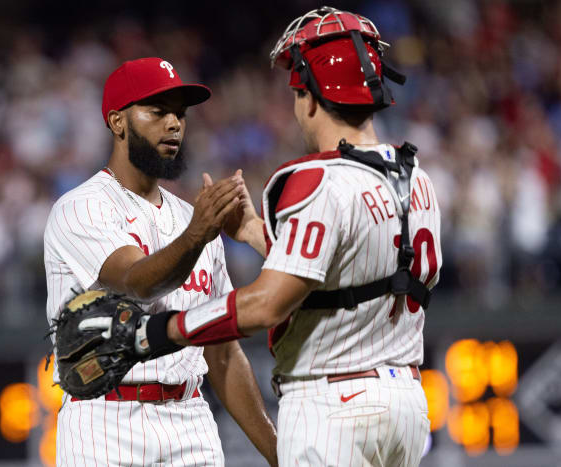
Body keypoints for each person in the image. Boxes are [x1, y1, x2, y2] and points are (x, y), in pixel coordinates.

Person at [133, 8, 443, 467]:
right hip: (407, 407)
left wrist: (155, 332)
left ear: (311, 98)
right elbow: (344, 276)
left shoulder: (315, 180)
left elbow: (266, 305)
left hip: (332, 406)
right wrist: (256, 233)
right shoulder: (416, 178)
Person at [43, 57, 277, 466]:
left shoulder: (192, 217)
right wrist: (200, 232)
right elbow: (138, 282)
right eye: (157, 111)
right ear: (118, 122)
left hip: (191, 417)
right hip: (105, 421)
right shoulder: (81, 208)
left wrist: (281, 454)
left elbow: (221, 354)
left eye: (180, 114)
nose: (174, 124)